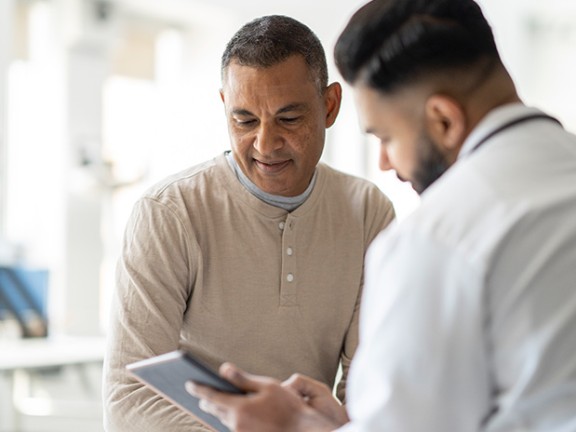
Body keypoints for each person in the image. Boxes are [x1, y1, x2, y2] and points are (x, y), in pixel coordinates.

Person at [186, 0, 576, 430]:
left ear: (444, 120)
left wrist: (292, 426)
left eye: (386, 136)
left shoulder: (436, 239)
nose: (387, 162)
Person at [102, 14, 395, 432]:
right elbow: (128, 397)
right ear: (224, 107)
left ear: (329, 106)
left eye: (289, 119)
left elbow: (368, 387)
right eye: (245, 121)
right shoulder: (169, 212)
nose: (265, 144)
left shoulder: (368, 213)